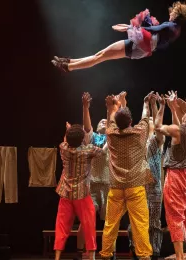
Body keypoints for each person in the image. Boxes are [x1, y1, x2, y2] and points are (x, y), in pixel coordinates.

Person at [51, 1, 186, 72]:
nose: (171, 13)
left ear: (177, 14)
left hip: (138, 46)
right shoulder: (175, 29)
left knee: (100, 56)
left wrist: (131, 27)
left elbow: (154, 28)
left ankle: (68, 66)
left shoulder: (171, 26)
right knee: (100, 55)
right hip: (140, 48)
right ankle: (68, 62)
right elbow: (157, 36)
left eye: (173, 12)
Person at [100, 92, 156, 260]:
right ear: (131, 122)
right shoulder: (139, 133)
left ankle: (106, 254)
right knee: (140, 223)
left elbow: (111, 118)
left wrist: (111, 106)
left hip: (116, 187)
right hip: (135, 185)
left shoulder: (111, 133)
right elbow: (145, 117)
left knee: (111, 224)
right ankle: (144, 255)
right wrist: (146, 103)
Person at [155, 92, 186, 260]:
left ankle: (179, 256)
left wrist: (164, 108)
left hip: (177, 174)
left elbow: (158, 127)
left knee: (175, 215)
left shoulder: (178, 130)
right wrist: (176, 109)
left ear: (185, 118)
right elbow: (183, 128)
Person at [54, 124, 104, 260]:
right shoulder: (88, 150)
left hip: (66, 193)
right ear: (82, 139)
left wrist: (68, 130)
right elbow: (103, 152)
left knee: (61, 225)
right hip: (82, 194)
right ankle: (92, 256)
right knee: (89, 224)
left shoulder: (63, 148)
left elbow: (65, 140)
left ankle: (57, 257)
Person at [127, 93, 165, 260]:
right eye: (147, 121)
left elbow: (158, 127)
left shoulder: (156, 141)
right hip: (138, 185)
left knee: (154, 221)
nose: (149, 122)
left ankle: (154, 250)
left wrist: (154, 106)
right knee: (136, 220)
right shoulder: (136, 140)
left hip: (154, 186)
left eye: (151, 121)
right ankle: (135, 248)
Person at [76, 92, 111, 259]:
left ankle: (108, 252)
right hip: (92, 183)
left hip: (108, 184)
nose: (104, 122)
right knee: (87, 219)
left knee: (110, 221)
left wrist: (109, 110)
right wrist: (85, 107)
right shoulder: (93, 138)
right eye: (101, 121)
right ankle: (83, 251)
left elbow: (111, 127)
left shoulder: (112, 137)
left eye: (106, 120)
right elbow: (87, 126)